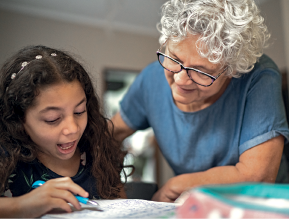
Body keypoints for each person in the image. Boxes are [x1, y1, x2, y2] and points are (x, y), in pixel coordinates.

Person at [111, 0, 289, 202]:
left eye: (201, 71)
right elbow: (109, 134)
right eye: (174, 58)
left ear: (232, 70)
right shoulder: (151, 79)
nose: (179, 79)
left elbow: (257, 177)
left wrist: (176, 185)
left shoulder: (259, 76)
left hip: (260, 204)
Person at [0, 45, 130, 218]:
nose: (73, 129)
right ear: (18, 119)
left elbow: (124, 208)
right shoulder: (6, 156)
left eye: (79, 111)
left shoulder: (97, 150)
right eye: (52, 119)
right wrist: (21, 206)